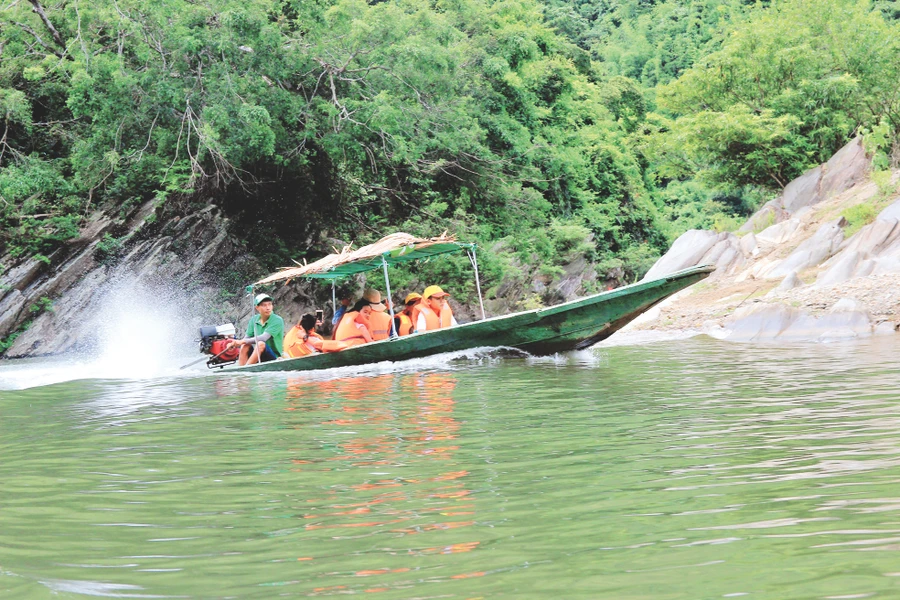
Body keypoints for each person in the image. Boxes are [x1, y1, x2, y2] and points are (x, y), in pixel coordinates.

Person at [229, 293, 285, 365]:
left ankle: (247, 368)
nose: (268, 308)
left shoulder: (277, 320)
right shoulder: (254, 320)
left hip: (273, 356)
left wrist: (241, 341)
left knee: (260, 344)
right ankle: (241, 369)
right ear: (257, 308)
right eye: (264, 305)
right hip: (257, 354)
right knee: (245, 345)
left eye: (269, 304)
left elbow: (264, 338)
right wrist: (234, 344)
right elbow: (246, 338)